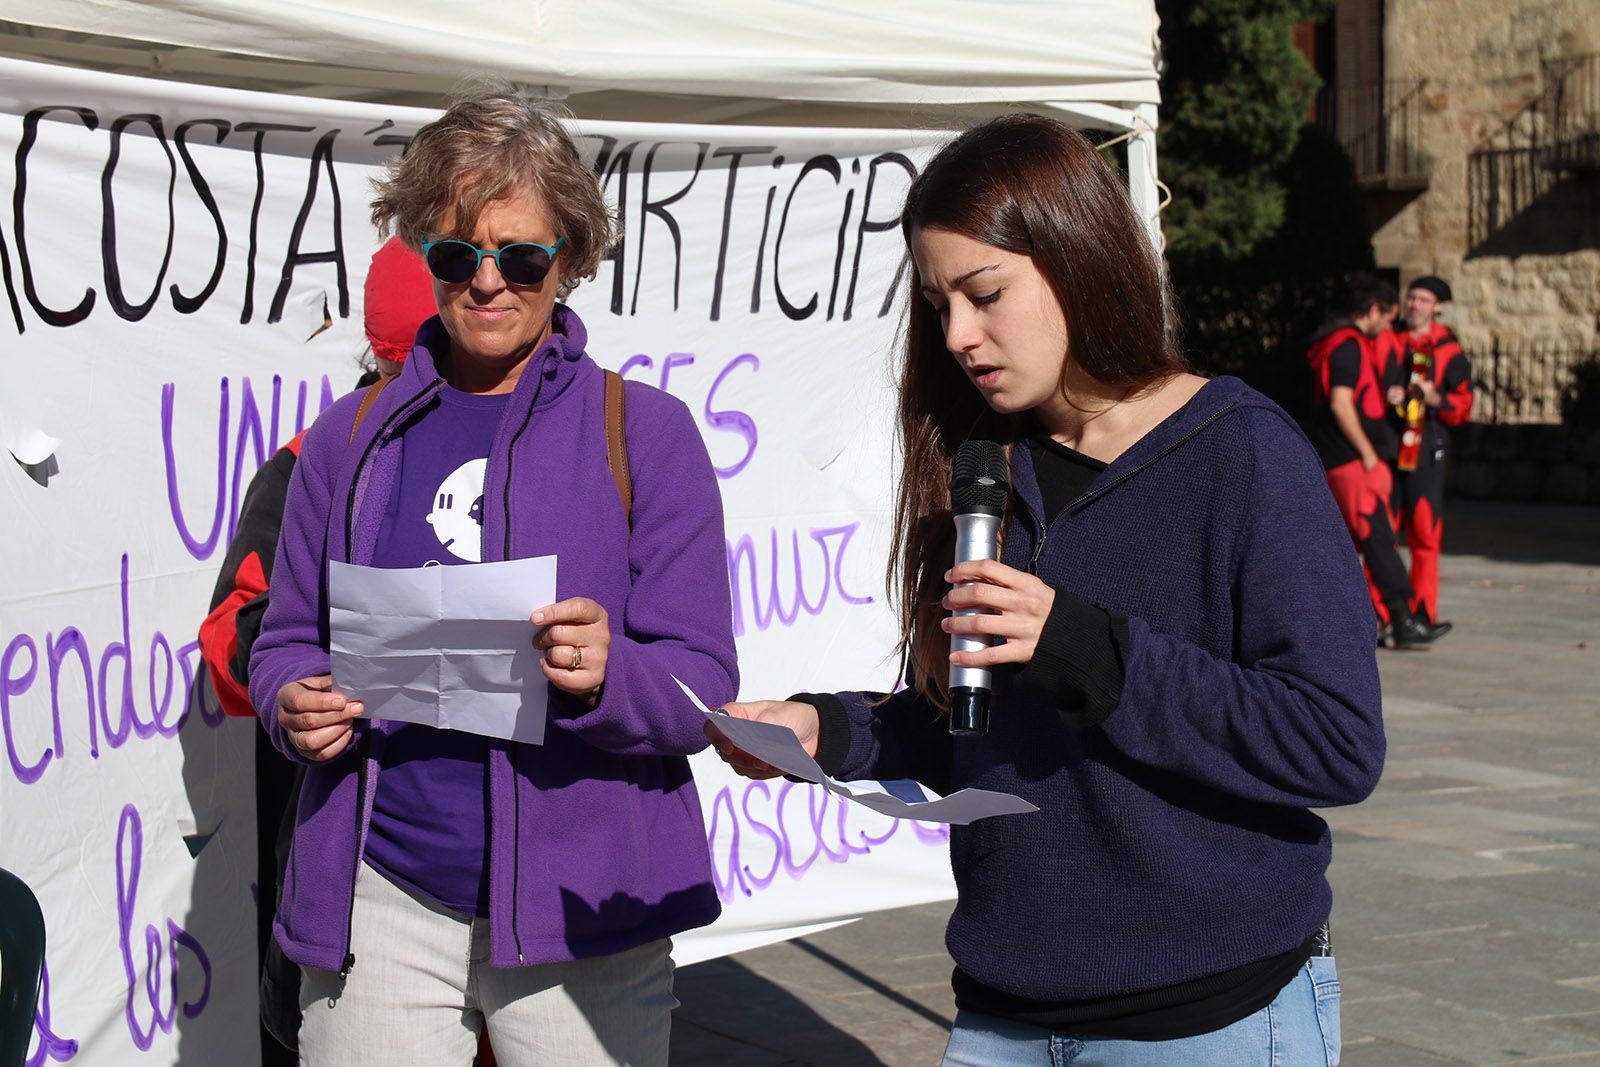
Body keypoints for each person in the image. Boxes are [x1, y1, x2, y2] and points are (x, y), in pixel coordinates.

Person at [707, 113, 1385, 1066]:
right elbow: (979, 734)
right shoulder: (984, 467)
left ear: (1078, 257)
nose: (959, 336)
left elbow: (1335, 743)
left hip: (1208, 1018)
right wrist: (830, 730)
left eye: (985, 294)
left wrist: (1080, 644)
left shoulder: (1242, 452)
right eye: (939, 304)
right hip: (1001, 1012)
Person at [248, 91, 737, 1067]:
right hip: (380, 893)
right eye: (455, 254)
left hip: (585, 905)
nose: (487, 283)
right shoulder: (347, 437)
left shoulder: (647, 432)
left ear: (572, 258)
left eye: (520, 256)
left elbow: (702, 686)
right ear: (422, 252)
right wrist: (290, 700)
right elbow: (289, 635)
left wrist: (608, 671)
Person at [198, 236, 441, 1063]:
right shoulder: (309, 463)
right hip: (343, 874)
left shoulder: (526, 460)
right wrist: (318, 653)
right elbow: (230, 632)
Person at [1304, 280, 1449, 648]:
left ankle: (1343, 624)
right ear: (1373, 311)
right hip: (1351, 461)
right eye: (1386, 318)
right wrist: (1368, 453)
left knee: (1346, 545)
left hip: (1337, 458)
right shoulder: (1348, 346)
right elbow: (1341, 402)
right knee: (1378, 537)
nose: (1387, 328)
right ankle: (1402, 620)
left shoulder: (1330, 342)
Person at [1380, 275, 1471, 627]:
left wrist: (1434, 397)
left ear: (1438, 307)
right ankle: (1383, 613)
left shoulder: (1450, 351)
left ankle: (1421, 613)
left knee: (1424, 530)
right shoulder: (1390, 340)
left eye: (1422, 299)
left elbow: (1463, 407)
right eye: (1412, 297)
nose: (1414, 305)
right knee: (1383, 533)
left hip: (1426, 449)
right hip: (1388, 443)